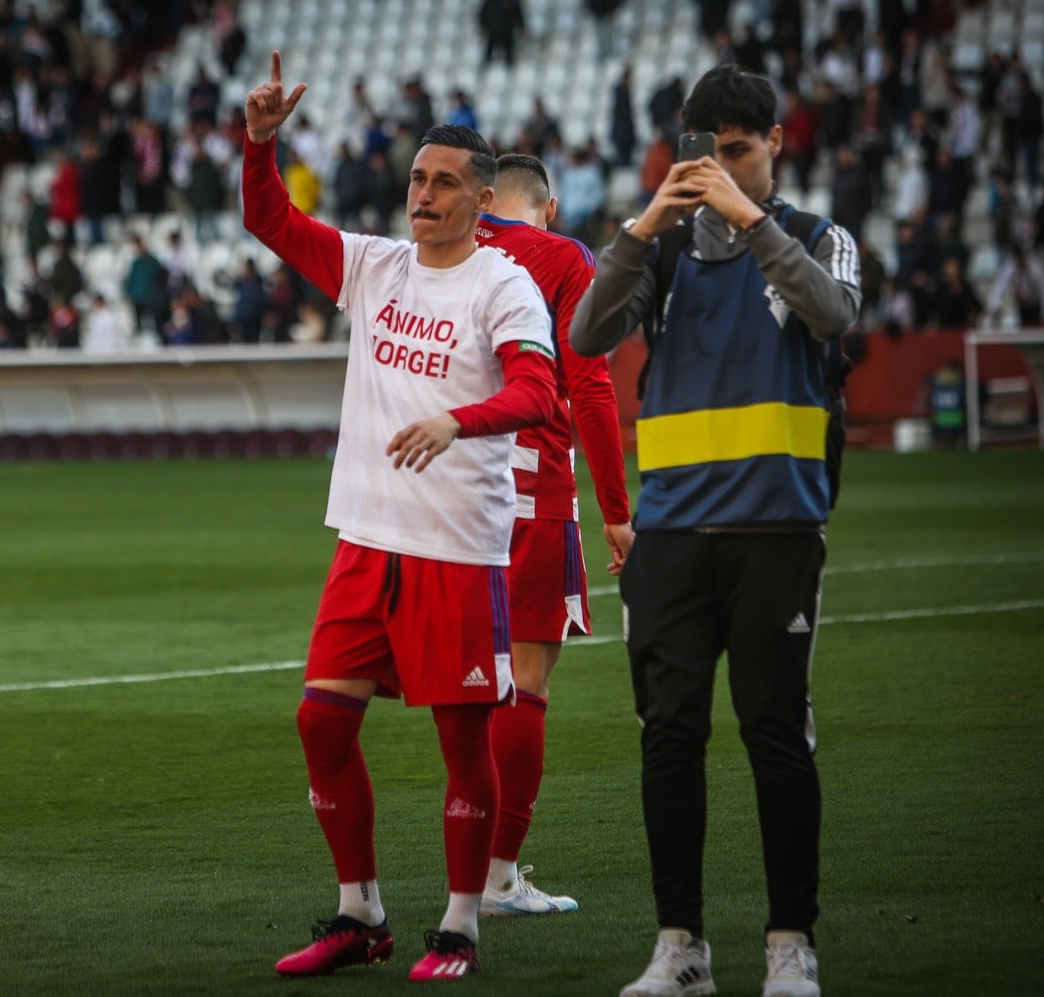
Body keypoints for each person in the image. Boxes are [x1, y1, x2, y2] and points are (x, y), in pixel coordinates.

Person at [243, 51, 558, 982]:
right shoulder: (374, 267)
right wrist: (260, 143)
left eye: (445, 183)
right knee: (320, 724)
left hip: (456, 549)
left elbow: (539, 393)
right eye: (418, 178)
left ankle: (460, 925)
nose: (422, 194)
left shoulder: (503, 284)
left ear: (481, 200)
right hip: (366, 543)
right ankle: (361, 915)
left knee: (463, 743)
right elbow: (270, 219)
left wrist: (456, 420)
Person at [570, 63, 860, 997]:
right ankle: (680, 948)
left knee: (775, 734)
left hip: (778, 529)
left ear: (776, 143)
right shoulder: (660, 252)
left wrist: (748, 216)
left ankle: (789, 946)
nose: (719, 166)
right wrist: (644, 224)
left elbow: (832, 312)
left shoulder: (821, 237)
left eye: (738, 149)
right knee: (668, 739)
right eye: (704, 153)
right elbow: (583, 335)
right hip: (672, 537)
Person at [473, 154, 633, 917]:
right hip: (531, 496)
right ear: (550, 205)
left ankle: (426, 888)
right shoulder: (562, 257)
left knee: (465, 690)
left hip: (446, 496)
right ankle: (497, 876)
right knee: (526, 685)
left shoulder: (444, 248)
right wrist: (617, 509)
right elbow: (592, 386)